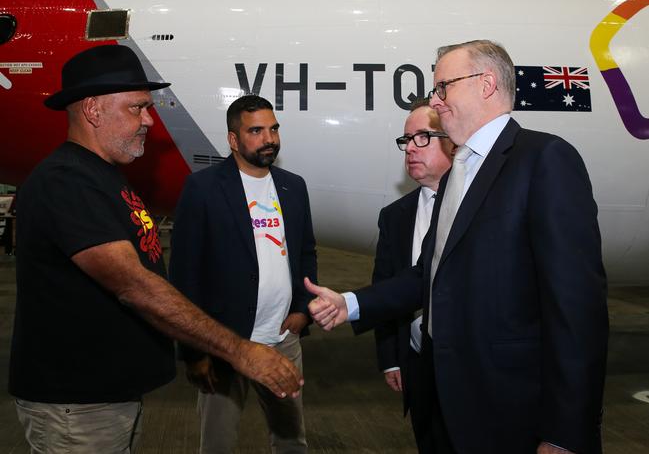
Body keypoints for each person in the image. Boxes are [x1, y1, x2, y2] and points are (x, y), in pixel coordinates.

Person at [307, 40, 608, 454]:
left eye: (443, 87)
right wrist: (350, 305)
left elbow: (576, 309)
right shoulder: (456, 174)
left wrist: (564, 433)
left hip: (514, 413)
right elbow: (428, 274)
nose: (435, 100)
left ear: (486, 84)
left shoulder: (545, 159)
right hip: (448, 404)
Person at [8, 45, 302, 454]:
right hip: (77, 407)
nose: (150, 120)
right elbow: (136, 286)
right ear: (93, 110)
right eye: (138, 108)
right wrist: (239, 351)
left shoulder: (105, 176)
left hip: (108, 397)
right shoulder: (67, 182)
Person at [169, 94, 317, 454]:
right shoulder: (202, 189)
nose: (269, 139)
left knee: (291, 441)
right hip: (225, 344)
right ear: (233, 140)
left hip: (282, 339)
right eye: (256, 131)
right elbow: (185, 274)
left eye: (273, 129)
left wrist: (301, 308)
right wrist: (194, 352)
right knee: (217, 444)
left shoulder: (292, 186)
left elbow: (305, 252)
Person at [373, 98, 452, 453]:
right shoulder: (394, 216)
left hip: (470, 367)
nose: (410, 149)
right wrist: (392, 356)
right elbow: (386, 287)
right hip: (418, 364)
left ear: (451, 139)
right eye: (407, 140)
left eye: (423, 137)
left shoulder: (480, 204)